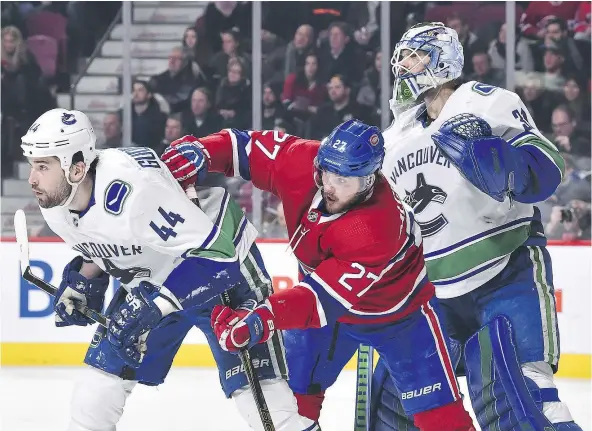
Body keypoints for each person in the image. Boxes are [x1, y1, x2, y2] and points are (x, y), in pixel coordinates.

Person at [161, 120, 476, 431]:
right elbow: (242, 147)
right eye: (328, 173)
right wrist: (203, 150)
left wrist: (258, 320)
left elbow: (317, 300)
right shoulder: (303, 160)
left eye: (343, 180)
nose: (329, 186)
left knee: (443, 421)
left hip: (399, 320)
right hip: (327, 320)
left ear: (369, 180)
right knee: (293, 407)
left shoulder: (377, 228)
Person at [21, 108, 313, 431]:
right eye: (34, 165)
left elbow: (218, 256)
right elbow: (106, 242)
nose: (32, 179)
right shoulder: (57, 205)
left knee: (268, 410)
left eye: (43, 167)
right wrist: (82, 281)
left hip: (219, 273)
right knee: (93, 399)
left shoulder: (135, 192)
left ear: (76, 168)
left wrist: (152, 310)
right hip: (153, 281)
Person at [372, 22, 582, 431]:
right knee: (405, 401)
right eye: (403, 56)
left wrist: (500, 160)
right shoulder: (396, 133)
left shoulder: (486, 102)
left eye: (415, 55)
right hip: (432, 289)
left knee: (529, 395)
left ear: (443, 59)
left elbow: (547, 170)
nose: (404, 64)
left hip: (505, 270)